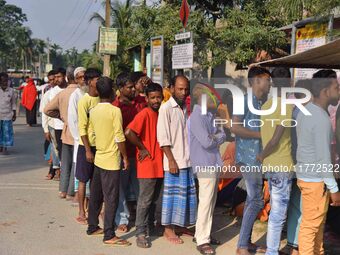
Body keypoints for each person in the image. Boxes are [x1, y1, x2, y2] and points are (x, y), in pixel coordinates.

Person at [296, 69, 340, 255]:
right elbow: (322, 158)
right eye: (336, 87)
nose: (339, 91)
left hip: (308, 177)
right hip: (315, 181)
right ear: (325, 91)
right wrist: (334, 189)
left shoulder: (307, 112)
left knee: (317, 225)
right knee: (311, 227)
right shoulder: (320, 119)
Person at [232, 66, 271, 255]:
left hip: (255, 156)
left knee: (252, 199)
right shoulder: (244, 99)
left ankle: (246, 242)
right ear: (256, 81)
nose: (270, 83)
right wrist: (260, 134)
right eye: (267, 79)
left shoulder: (260, 101)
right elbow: (235, 127)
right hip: (247, 157)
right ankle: (241, 246)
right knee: (256, 200)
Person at [88, 76, 131, 247]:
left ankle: (92, 226)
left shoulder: (94, 110)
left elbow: (91, 135)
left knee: (96, 194)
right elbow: (119, 136)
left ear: (98, 91)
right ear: (113, 91)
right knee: (111, 198)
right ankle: (109, 234)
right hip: (111, 160)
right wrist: (125, 157)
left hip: (99, 156)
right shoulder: (115, 111)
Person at [256, 67, 294, 255]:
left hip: (270, 165)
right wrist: (263, 154)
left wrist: (264, 157)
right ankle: (272, 251)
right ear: (288, 82)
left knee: (275, 212)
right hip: (282, 164)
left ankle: (271, 250)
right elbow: (275, 138)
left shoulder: (266, 105)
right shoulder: (286, 105)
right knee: (279, 214)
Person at [157, 75, 197, 244]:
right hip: (174, 161)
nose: (183, 92)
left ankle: (180, 226)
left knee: (185, 196)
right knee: (171, 197)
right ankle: (168, 229)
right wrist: (171, 160)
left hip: (187, 160)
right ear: (172, 88)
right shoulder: (166, 108)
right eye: (180, 89)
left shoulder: (186, 108)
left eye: (186, 89)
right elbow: (163, 138)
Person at [125, 82, 164, 248]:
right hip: (148, 164)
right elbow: (128, 132)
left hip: (159, 164)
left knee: (154, 199)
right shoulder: (145, 113)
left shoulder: (159, 113)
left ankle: (150, 226)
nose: (156, 100)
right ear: (146, 98)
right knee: (145, 200)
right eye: (152, 97)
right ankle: (140, 233)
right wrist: (142, 148)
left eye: (158, 97)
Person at [188, 84, 226, 255]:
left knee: (210, 201)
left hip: (213, 162)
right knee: (205, 201)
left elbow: (222, 134)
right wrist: (215, 137)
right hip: (204, 162)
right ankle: (202, 239)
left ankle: (204, 234)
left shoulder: (210, 115)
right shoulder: (196, 116)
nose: (214, 98)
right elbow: (207, 141)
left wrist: (215, 136)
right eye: (210, 96)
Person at [112, 72, 141, 233]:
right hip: (122, 154)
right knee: (121, 190)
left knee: (140, 189)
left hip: (138, 153)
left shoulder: (138, 104)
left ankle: (143, 218)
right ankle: (122, 219)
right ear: (121, 88)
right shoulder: (116, 108)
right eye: (129, 87)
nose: (133, 90)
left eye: (133, 87)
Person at [44, 66, 79, 200]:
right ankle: (71, 191)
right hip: (77, 133)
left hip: (65, 131)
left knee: (65, 161)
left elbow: (47, 110)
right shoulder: (81, 93)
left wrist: (62, 117)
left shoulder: (62, 93)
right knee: (74, 162)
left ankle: (63, 190)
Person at [287, 79, 312, 255]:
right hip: (303, 164)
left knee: (296, 204)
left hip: (293, 162)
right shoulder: (307, 113)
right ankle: (297, 246)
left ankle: (293, 244)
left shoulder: (293, 111)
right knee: (304, 206)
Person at [75, 68, 101, 225]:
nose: (99, 82)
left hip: (100, 146)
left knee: (96, 181)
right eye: (97, 79)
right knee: (83, 180)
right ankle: (81, 211)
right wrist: (87, 150)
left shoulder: (102, 99)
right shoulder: (84, 101)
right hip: (86, 146)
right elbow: (82, 128)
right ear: (90, 81)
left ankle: (94, 210)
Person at [41, 70, 61, 180]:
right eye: (51, 80)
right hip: (52, 125)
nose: (53, 82)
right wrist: (45, 129)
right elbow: (44, 112)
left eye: (55, 79)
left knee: (59, 150)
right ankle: (54, 171)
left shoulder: (64, 91)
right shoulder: (48, 93)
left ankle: (57, 171)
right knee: (54, 149)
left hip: (63, 126)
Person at [0, 72, 17, 155]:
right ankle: (0, 146)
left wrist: (14, 113)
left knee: (6, 132)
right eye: (2, 81)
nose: (4, 83)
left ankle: (5, 147)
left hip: (7, 115)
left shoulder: (11, 91)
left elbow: (13, 103)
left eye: (6, 81)